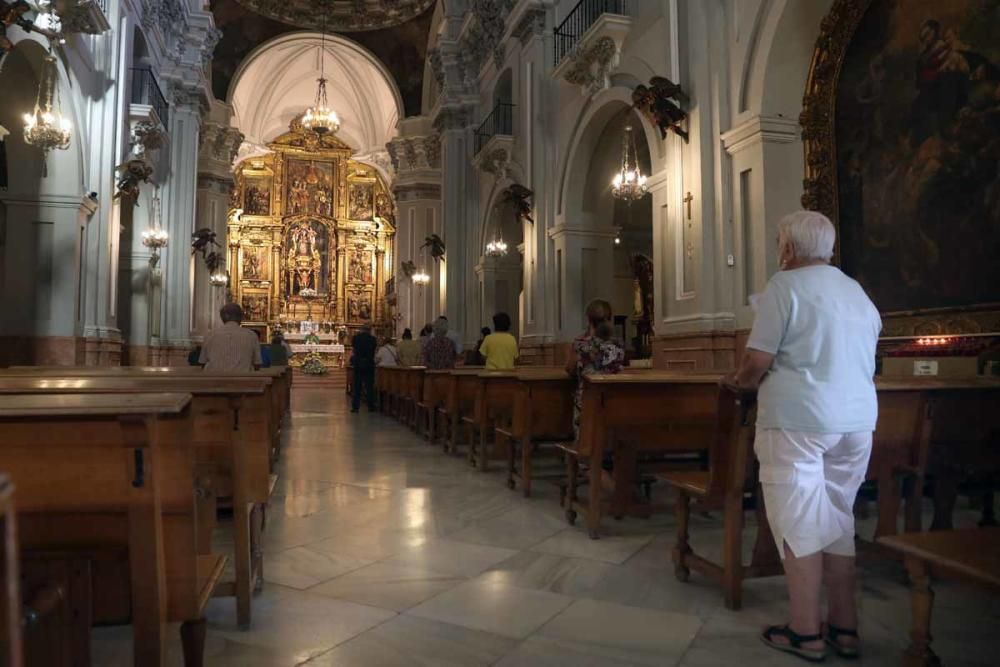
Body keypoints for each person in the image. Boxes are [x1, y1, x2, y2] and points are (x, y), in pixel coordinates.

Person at [723, 211, 881, 662]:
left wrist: (737, 381)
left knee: (799, 525)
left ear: (788, 248)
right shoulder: (857, 292)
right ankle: (844, 627)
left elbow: (756, 363)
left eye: (778, 242)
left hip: (799, 422)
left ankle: (805, 631)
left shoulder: (784, 287)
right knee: (838, 519)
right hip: (856, 422)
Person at [565, 299, 625, 439]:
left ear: (589, 320)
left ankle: (583, 452)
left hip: (587, 401)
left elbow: (569, 369)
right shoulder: (618, 344)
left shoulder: (580, 344)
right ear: (610, 319)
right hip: (613, 399)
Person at [199, 303, 262, 372]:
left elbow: (202, 362)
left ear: (222, 317)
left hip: (214, 380)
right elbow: (257, 364)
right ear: (241, 317)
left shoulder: (210, 335)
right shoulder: (251, 335)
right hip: (243, 381)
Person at [351, 324, 378, 413]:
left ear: (361, 330)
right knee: (369, 386)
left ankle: (355, 407)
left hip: (358, 363)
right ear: (369, 330)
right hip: (369, 364)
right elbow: (374, 349)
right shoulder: (373, 339)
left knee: (357, 386)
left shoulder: (356, 338)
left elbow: (354, 348)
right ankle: (371, 406)